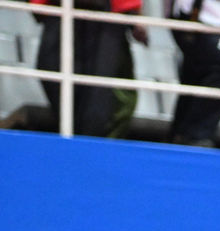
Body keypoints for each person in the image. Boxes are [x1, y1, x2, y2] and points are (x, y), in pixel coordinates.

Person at [33, 0, 148, 137]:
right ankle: (80, 142)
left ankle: (86, 143)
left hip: (103, 19)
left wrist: (133, 11)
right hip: (65, 15)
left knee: (102, 100)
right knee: (65, 89)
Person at [169, 0, 220, 146]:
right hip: (196, 17)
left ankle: (179, 135)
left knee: (196, 75)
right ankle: (195, 135)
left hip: (217, 22)